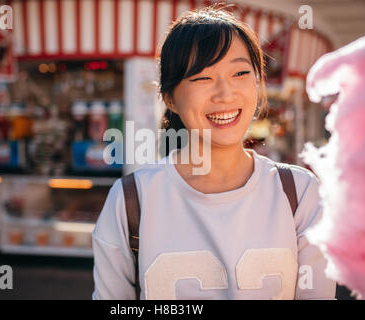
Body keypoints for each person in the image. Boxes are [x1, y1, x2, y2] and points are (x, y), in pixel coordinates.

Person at [91, 6, 336, 300]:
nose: (225, 94)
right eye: (202, 78)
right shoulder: (131, 201)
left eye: (240, 73)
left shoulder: (300, 193)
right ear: (170, 98)